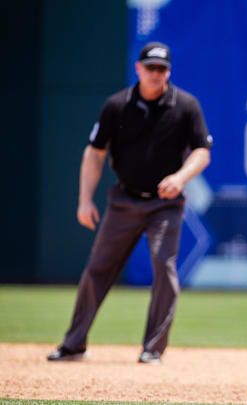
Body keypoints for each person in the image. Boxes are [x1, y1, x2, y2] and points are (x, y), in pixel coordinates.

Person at [47, 41, 212, 364]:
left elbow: (202, 152)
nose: (155, 74)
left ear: (169, 71)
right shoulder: (117, 105)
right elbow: (94, 153)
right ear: (138, 69)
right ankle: (74, 343)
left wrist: (180, 178)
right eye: (149, 67)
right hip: (124, 200)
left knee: (164, 268)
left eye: (161, 68)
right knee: (97, 269)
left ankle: (153, 348)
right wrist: (84, 200)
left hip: (165, 205)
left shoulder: (185, 105)